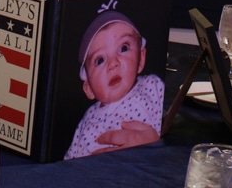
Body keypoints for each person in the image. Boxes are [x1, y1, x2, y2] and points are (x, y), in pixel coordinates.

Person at [64, 9, 164, 159]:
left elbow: (173, 131)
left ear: (141, 58)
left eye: (123, 48)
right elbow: (68, 161)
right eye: (100, 60)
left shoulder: (152, 86)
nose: (113, 64)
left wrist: (156, 143)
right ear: (88, 88)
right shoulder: (88, 121)